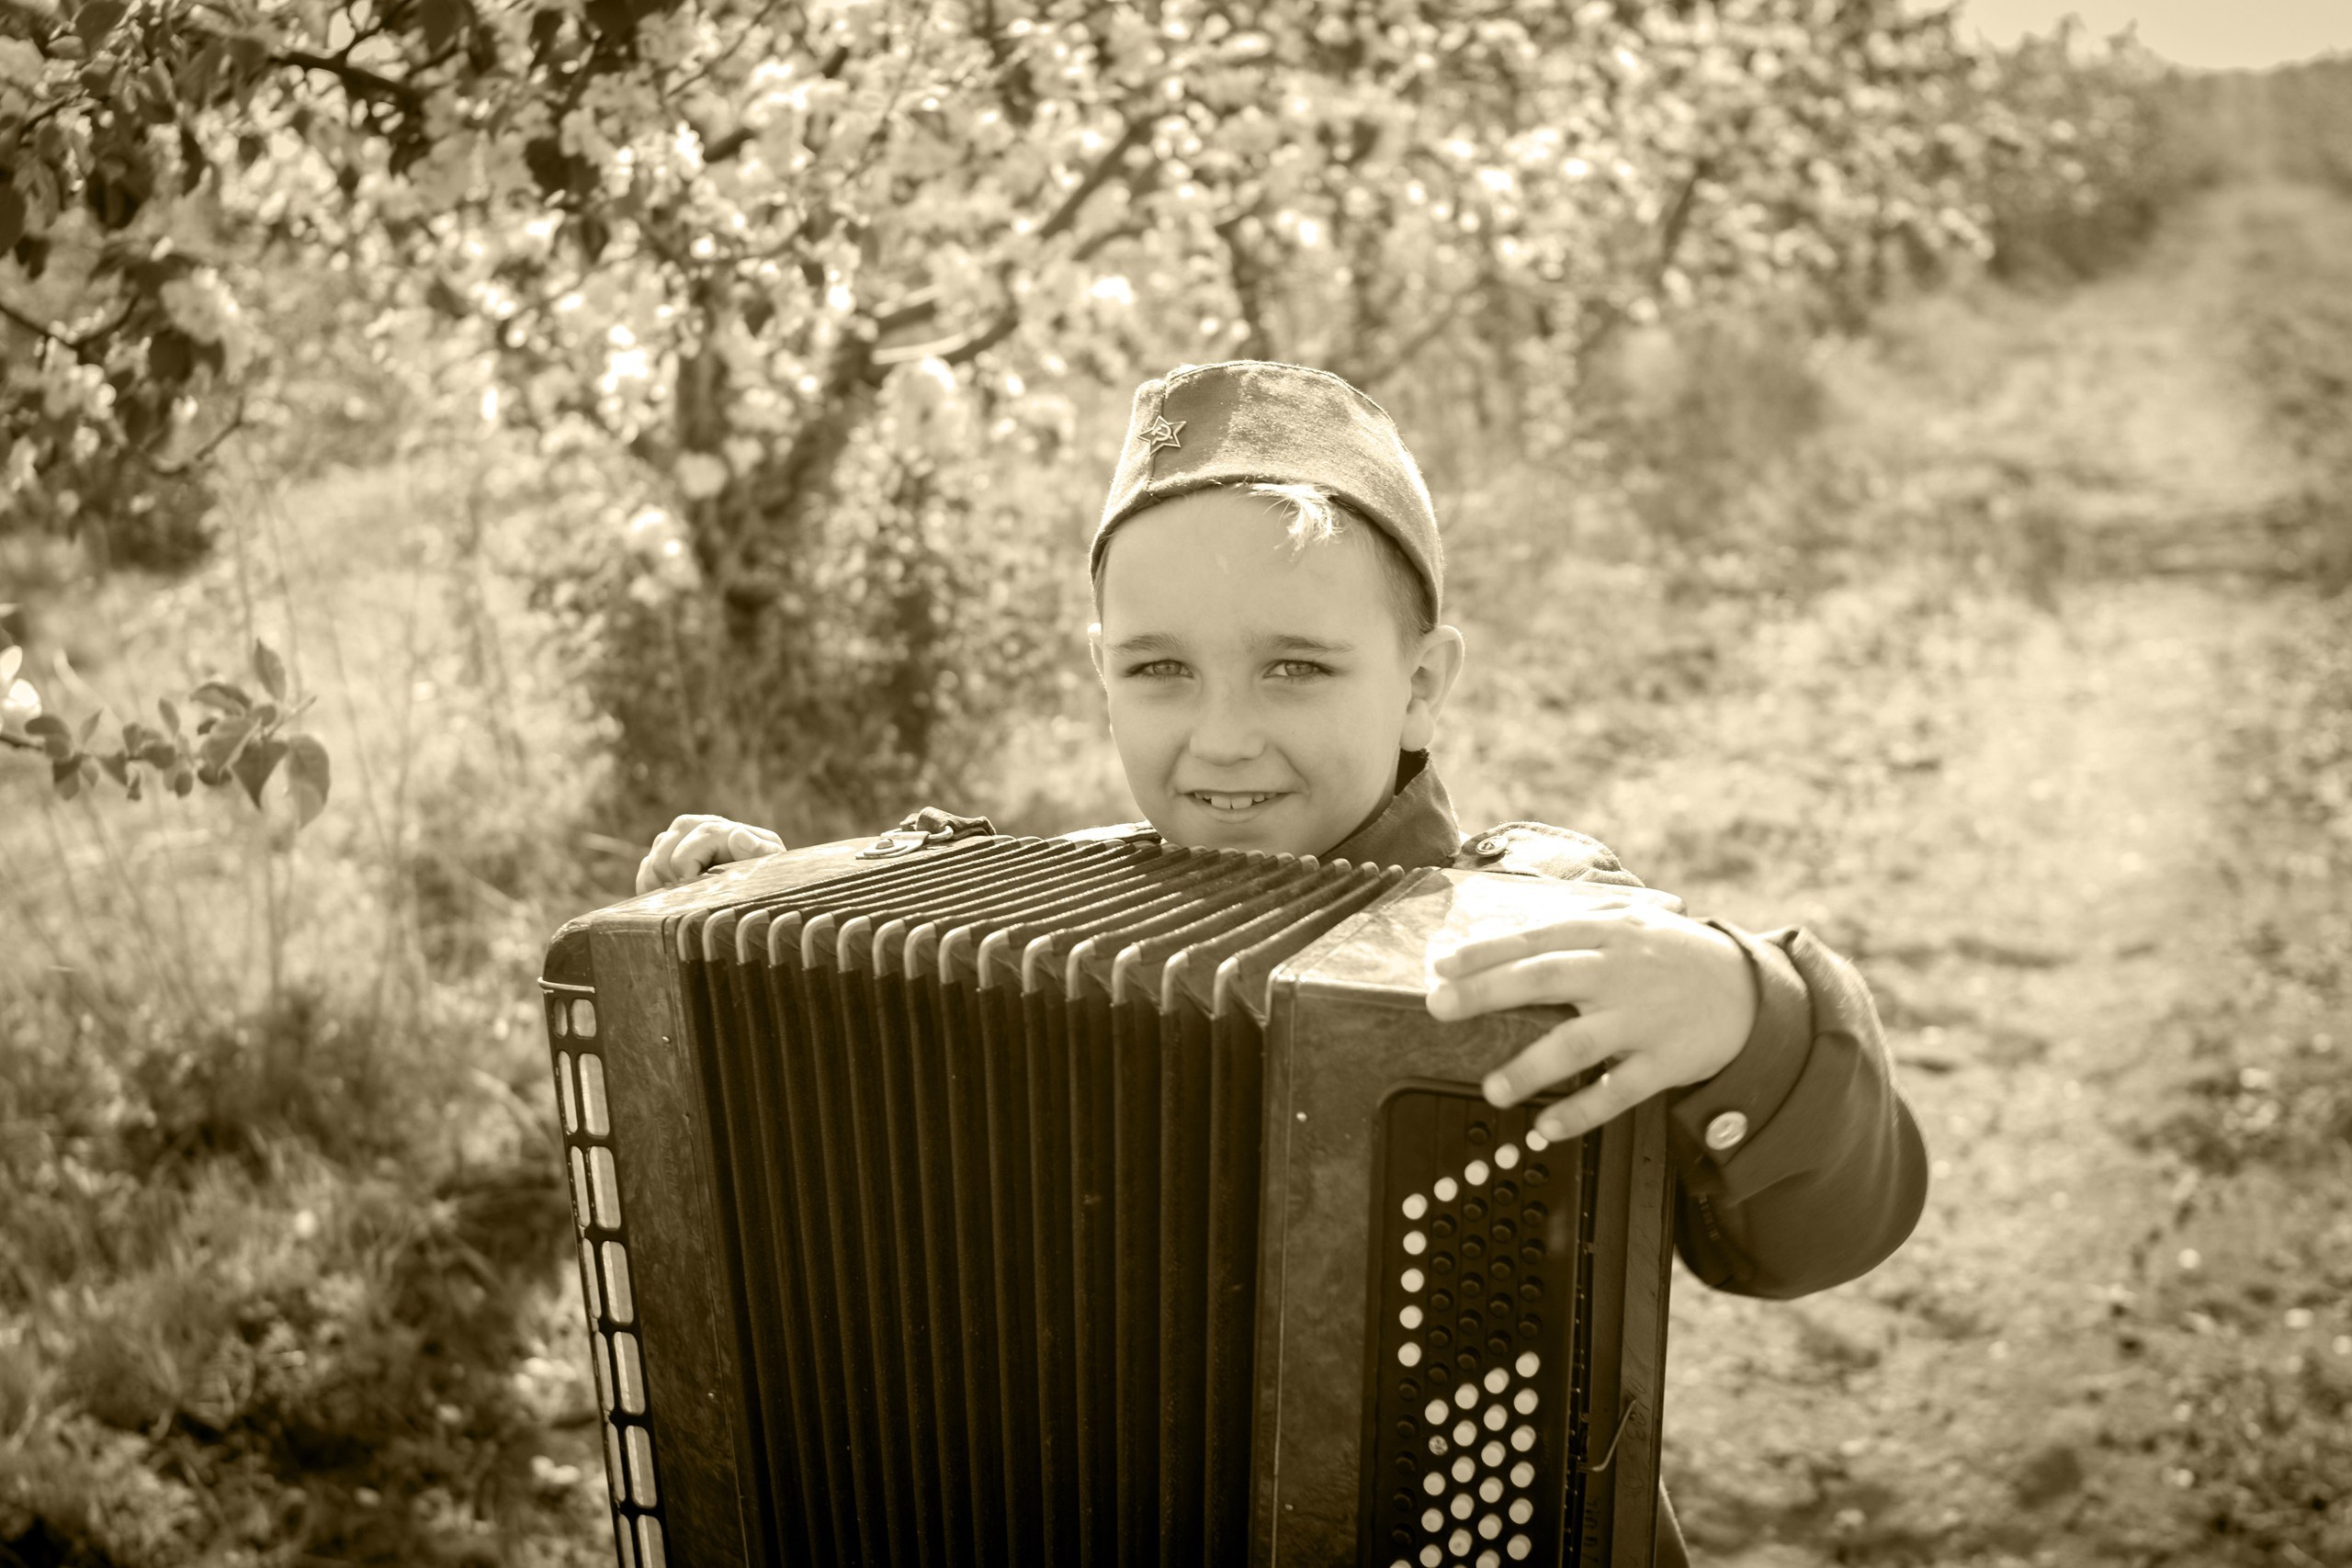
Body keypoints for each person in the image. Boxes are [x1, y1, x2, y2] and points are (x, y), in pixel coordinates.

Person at [636, 359, 1929, 1566]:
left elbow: (1823, 1233)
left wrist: (1747, 1009)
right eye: (1160, 671)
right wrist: (752, 915)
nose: (1224, 739)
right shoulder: (1033, 917)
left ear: (1423, 684)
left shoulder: (1532, 928)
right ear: (1101, 677)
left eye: (1297, 669)